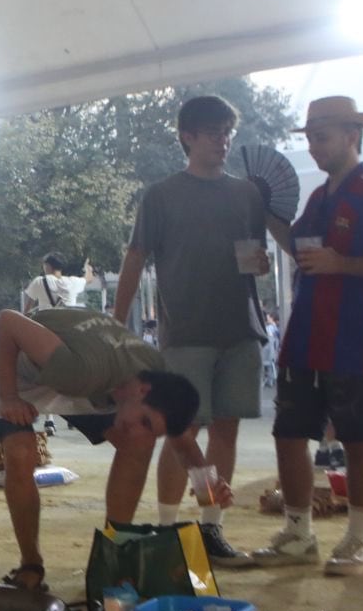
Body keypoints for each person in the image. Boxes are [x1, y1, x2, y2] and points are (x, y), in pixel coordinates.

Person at [255, 97, 363, 575]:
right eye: (309, 138)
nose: (313, 146)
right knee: (289, 433)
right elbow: (301, 247)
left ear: (352, 135)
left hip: (359, 337)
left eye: (321, 137)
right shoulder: (319, 198)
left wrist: (340, 263)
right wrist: (265, 216)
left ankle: (358, 540)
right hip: (308, 333)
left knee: (358, 436)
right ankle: (298, 533)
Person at [110, 94, 269, 567]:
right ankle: (167, 528)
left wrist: (260, 264)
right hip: (185, 331)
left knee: (226, 429)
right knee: (181, 428)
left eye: (227, 133)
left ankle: (211, 528)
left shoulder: (247, 194)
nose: (223, 141)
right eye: (214, 133)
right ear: (188, 136)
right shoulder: (161, 195)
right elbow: (135, 257)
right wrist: (116, 324)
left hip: (240, 327)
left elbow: (254, 256)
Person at [0, 307, 206, 589]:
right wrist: (9, 397)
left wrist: (207, 483)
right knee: (20, 452)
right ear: (142, 391)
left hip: (88, 380)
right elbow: (8, 321)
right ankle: (31, 563)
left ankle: (114, 551)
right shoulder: (81, 370)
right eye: (145, 421)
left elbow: (180, 438)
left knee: (138, 441)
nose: (139, 429)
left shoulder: (156, 376)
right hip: (17, 371)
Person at [22, 253, 90, 313]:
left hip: (46, 321)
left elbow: (27, 309)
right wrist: (87, 267)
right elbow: (89, 278)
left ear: (47, 266)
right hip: (68, 321)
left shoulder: (39, 281)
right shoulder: (73, 282)